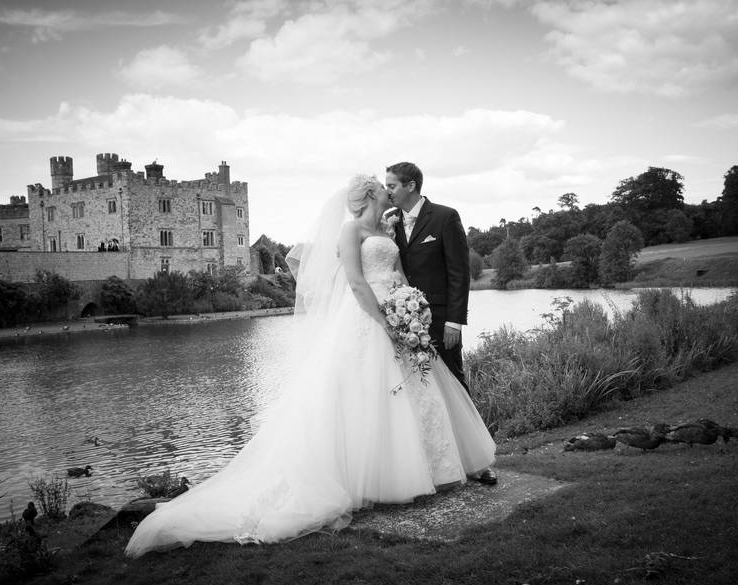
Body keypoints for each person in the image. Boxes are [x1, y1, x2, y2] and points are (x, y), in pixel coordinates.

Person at [124, 175, 496, 558]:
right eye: (383, 187)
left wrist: (409, 303)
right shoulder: (350, 232)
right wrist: (384, 322)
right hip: (365, 318)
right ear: (371, 194)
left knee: (416, 389)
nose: (389, 191)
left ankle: (432, 469)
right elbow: (355, 282)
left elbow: (398, 272)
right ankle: (371, 479)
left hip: (398, 312)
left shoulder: (386, 227)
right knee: (365, 393)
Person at [386, 162, 497, 485]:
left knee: (455, 384)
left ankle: (477, 462)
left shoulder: (445, 217)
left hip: (440, 319)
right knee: (419, 390)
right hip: (404, 321)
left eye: (392, 185)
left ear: (410, 185)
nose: (387, 190)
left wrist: (454, 322)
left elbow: (459, 273)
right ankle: (433, 464)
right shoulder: (390, 222)